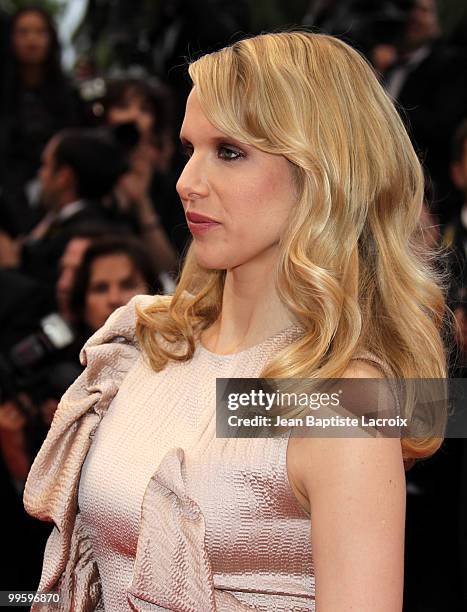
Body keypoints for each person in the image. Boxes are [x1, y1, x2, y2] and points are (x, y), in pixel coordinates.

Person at [24, 32, 451, 611]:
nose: (186, 183)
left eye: (229, 152)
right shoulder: (146, 341)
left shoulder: (343, 401)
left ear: (320, 172)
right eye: (189, 149)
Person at [0, 6, 84, 236]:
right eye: (23, 32)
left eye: (40, 32)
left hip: (60, 191)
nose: (32, 39)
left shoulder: (68, 94)